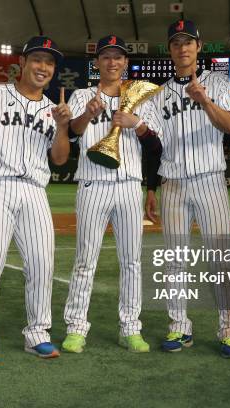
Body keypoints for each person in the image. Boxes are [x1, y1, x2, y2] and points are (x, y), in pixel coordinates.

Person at [0, 36, 71, 365]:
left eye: (49, 63)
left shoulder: (53, 110)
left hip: (35, 190)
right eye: (37, 59)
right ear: (22, 64)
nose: (43, 67)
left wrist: (63, 126)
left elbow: (61, 159)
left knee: (42, 265)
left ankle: (38, 333)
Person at [146, 19, 230, 357]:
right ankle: (178, 328)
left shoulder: (219, 83)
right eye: (176, 43)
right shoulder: (159, 95)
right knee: (175, 261)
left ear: (199, 47)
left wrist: (204, 100)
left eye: (189, 42)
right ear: (170, 50)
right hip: (172, 184)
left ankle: (229, 330)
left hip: (209, 182)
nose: (183, 48)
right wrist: (152, 187)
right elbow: (153, 144)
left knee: (221, 260)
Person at [61, 35, 163, 354]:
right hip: (93, 183)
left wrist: (138, 124)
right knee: (85, 259)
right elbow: (72, 133)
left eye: (118, 57)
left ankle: (130, 328)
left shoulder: (141, 97)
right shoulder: (81, 95)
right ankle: (76, 328)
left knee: (131, 261)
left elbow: (156, 147)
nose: (112, 62)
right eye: (106, 57)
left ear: (125, 63)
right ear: (98, 63)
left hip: (129, 185)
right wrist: (88, 114)